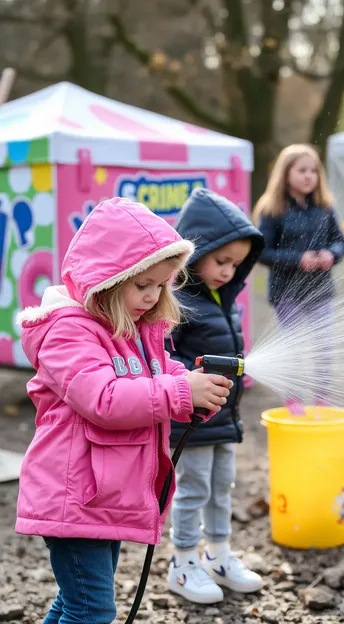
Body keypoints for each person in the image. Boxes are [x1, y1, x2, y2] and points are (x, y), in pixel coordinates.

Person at [15, 197, 233, 624]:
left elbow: (162, 376)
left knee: (74, 603)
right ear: (108, 278)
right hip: (74, 496)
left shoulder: (134, 330)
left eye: (161, 286)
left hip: (103, 495)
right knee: (93, 610)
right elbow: (105, 399)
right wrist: (180, 392)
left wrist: (195, 390)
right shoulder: (68, 332)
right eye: (143, 285)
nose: (152, 298)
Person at [165, 188, 265, 604]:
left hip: (224, 415)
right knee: (194, 489)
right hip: (191, 420)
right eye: (221, 261)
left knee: (223, 485)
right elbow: (165, 358)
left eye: (236, 265)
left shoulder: (225, 299)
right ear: (195, 251)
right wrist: (190, 383)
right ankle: (183, 563)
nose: (227, 271)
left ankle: (218, 555)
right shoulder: (178, 301)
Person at [253, 144, 344, 414]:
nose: (309, 176)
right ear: (285, 174)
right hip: (287, 293)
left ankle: (322, 400)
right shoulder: (272, 210)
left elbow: (340, 241)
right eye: (302, 170)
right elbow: (262, 252)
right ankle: (293, 401)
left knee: (324, 347)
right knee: (293, 348)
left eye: (313, 171)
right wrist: (297, 259)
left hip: (320, 290)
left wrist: (331, 254)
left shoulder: (325, 207)